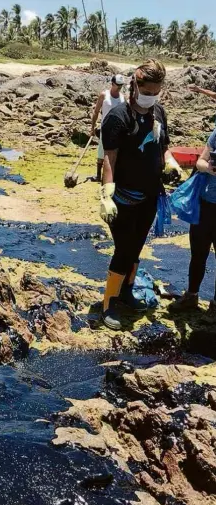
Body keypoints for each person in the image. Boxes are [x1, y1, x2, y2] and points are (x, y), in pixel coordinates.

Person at [99, 58, 183, 330]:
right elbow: (110, 158)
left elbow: (163, 145)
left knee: (136, 248)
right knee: (123, 249)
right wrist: (106, 192)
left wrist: (170, 162)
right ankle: (108, 303)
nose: (151, 97)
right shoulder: (117, 117)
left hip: (150, 195)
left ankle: (127, 290)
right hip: (122, 196)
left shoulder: (158, 113)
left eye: (155, 92)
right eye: (147, 92)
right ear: (135, 86)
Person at [169, 130, 216, 321]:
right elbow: (200, 162)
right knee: (198, 253)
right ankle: (192, 295)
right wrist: (209, 167)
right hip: (206, 205)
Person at [91, 74, 125, 183]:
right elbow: (96, 111)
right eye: (117, 85)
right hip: (105, 127)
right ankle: (98, 175)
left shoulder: (122, 98)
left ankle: (113, 175)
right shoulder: (104, 95)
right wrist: (92, 127)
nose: (119, 87)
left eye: (121, 85)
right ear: (112, 83)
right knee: (102, 151)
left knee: (117, 153)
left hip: (118, 129)